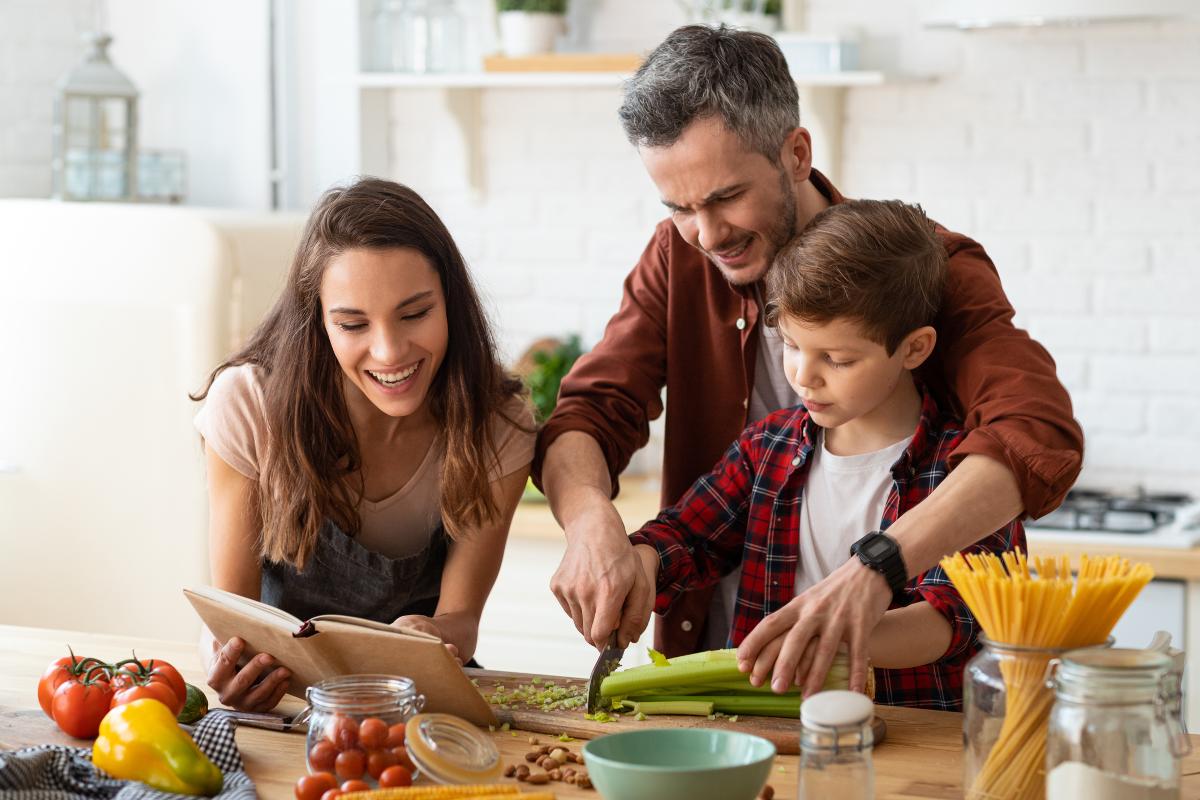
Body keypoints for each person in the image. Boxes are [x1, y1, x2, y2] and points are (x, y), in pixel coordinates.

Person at [534, 24, 1082, 697]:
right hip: (730, 671)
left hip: (902, 697)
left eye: (726, 197)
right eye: (679, 207)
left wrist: (875, 570)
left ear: (796, 152)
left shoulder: (920, 271)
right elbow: (592, 411)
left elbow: (1035, 432)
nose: (706, 235)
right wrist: (594, 526)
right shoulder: (679, 258)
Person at [628, 199, 1024, 709]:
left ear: (914, 349)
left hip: (909, 741)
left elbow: (956, 617)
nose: (803, 376)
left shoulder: (965, 473)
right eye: (791, 345)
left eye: (836, 358)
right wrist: (638, 562)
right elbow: (685, 538)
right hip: (771, 739)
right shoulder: (764, 448)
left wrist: (827, 634)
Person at [191, 178, 534, 711]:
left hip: (422, 700)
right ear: (317, 322)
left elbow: (462, 620)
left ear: (451, 301)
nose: (390, 351)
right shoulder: (249, 406)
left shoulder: (498, 424)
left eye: (416, 313)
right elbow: (234, 616)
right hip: (288, 703)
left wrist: (437, 631)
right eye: (352, 323)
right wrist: (228, 660)